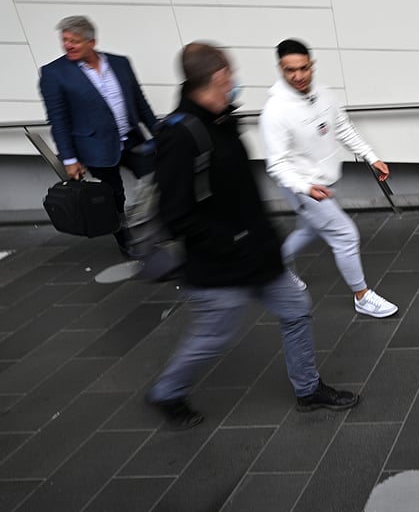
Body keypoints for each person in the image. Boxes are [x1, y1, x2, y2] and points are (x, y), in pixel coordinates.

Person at [145, 42, 358, 430]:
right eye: (230, 73)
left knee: (296, 310)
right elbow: (175, 215)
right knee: (213, 337)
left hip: (258, 254)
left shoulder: (221, 120)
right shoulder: (181, 135)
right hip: (220, 266)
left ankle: (308, 391)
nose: (235, 80)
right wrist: (235, 241)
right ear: (217, 77)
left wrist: (260, 237)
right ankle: (167, 391)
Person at [259, 39, 398, 318]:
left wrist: (372, 157)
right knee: (345, 235)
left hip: (325, 181)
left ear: (312, 65)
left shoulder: (325, 95)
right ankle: (362, 296)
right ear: (280, 69)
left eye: (303, 68)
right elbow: (277, 164)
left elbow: (343, 129)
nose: (297, 76)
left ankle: (273, 267)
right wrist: (305, 188)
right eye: (289, 71)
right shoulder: (275, 112)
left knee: (308, 230)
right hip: (303, 185)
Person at [38, 15, 159, 256]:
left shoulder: (120, 63)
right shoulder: (54, 73)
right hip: (95, 146)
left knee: (158, 177)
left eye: (75, 40)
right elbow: (58, 120)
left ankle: (152, 225)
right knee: (114, 195)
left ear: (92, 42)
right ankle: (126, 239)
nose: (68, 45)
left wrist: (158, 131)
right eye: (65, 40)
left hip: (131, 138)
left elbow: (139, 102)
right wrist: (69, 159)